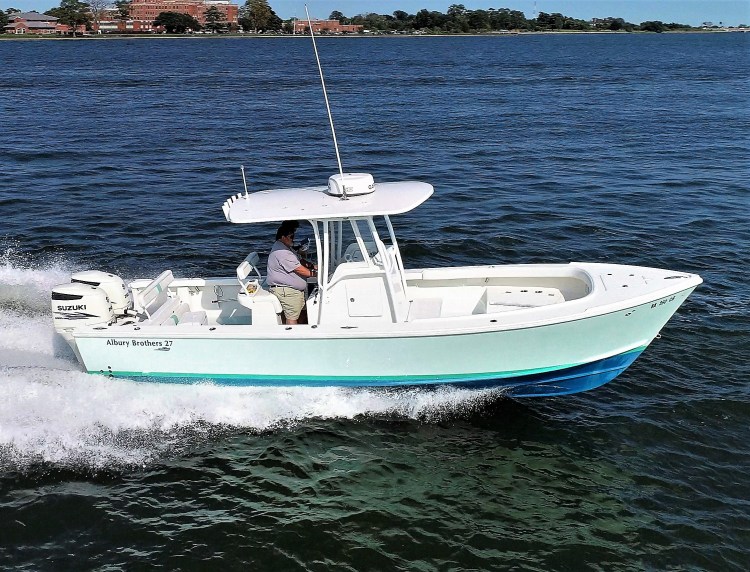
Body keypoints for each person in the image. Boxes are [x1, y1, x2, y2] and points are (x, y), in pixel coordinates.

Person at [266, 220, 317, 325]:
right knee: (292, 318)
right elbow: (300, 270)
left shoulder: (286, 247)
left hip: (294, 290)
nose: (293, 239)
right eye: (291, 237)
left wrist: (312, 266)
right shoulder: (283, 252)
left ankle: (302, 330)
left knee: (302, 313)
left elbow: (299, 260)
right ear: (283, 237)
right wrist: (317, 274)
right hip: (288, 292)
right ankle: (292, 333)